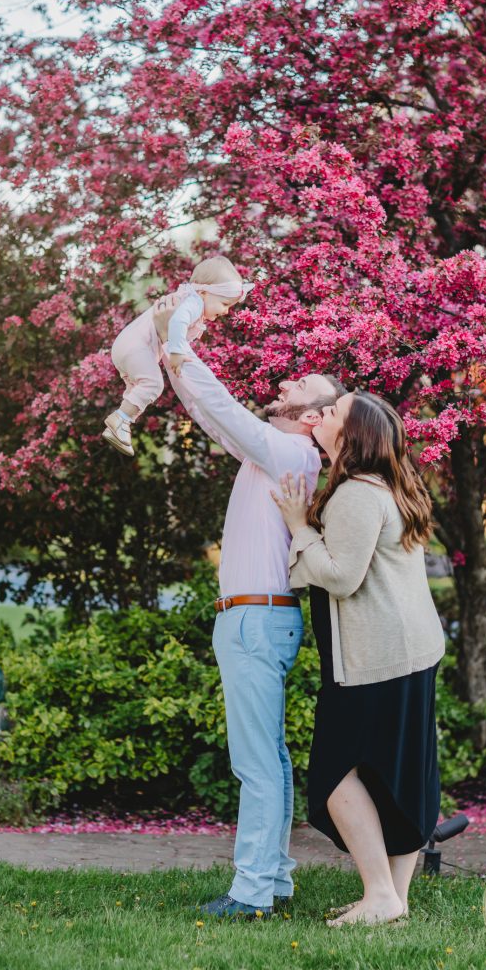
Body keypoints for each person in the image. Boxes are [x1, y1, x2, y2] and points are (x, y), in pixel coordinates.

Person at [151, 294, 346, 919]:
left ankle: (253, 891)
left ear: (313, 417)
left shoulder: (291, 453)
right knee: (270, 759)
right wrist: (171, 355)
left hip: (256, 619)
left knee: (256, 763)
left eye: (302, 383)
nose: (287, 379)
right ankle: (275, 880)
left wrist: (182, 328)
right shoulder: (272, 452)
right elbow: (213, 416)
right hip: (256, 618)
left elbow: (224, 410)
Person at [272, 391, 445, 927]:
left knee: (333, 774)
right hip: (412, 651)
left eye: (331, 413)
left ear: (351, 435)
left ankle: (379, 896)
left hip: (377, 659)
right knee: (402, 775)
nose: (318, 415)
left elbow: (343, 577)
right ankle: (393, 897)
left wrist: (299, 524)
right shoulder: (390, 487)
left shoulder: (354, 495)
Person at [103, 255, 253, 456]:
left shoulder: (189, 300)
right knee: (153, 385)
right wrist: (176, 351)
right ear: (203, 292)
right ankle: (120, 418)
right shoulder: (194, 302)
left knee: (139, 388)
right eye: (225, 304)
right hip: (135, 346)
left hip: (126, 347)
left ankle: (121, 425)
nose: (226, 311)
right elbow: (177, 322)